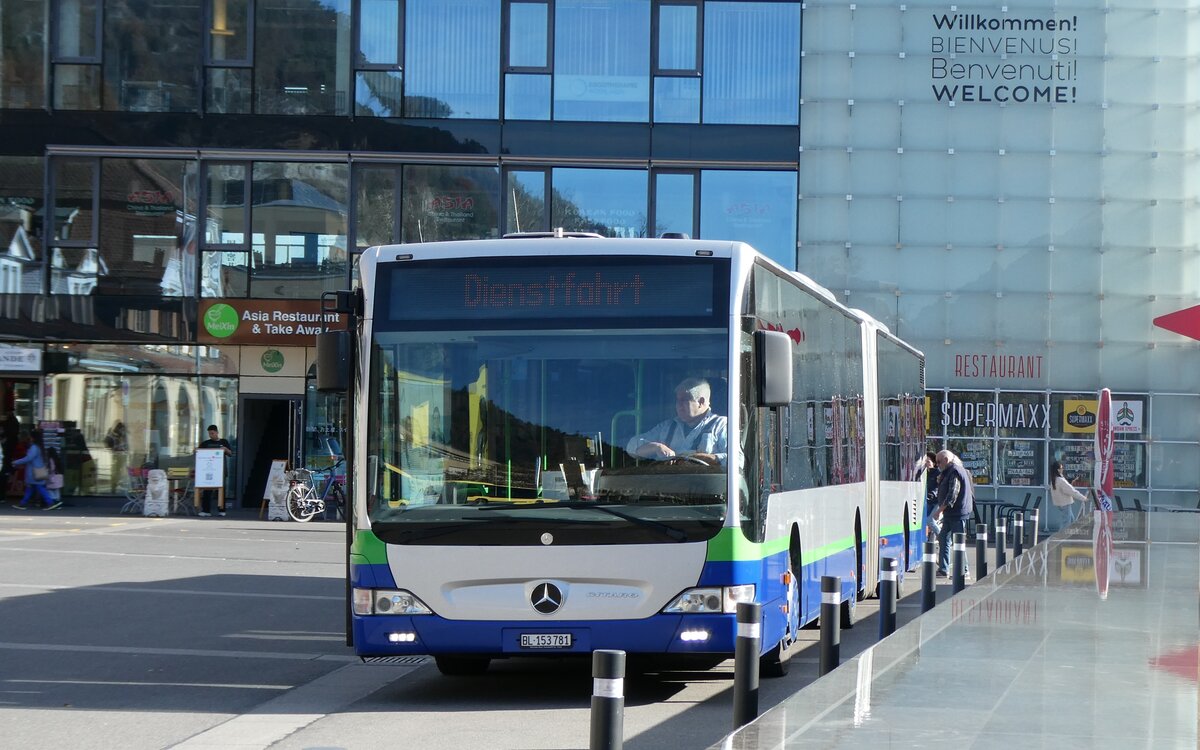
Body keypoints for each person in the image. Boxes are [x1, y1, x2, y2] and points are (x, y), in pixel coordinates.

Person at [625, 377, 728, 466]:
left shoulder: (721, 425)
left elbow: (737, 460)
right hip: (668, 486)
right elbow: (631, 447)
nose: (678, 405)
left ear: (701, 402)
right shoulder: (668, 427)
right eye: (677, 400)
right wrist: (656, 447)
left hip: (707, 486)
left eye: (683, 400)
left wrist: (702, 458)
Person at [931, 449, 974, 578]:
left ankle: (964, 570)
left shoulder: (955, 471)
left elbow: (952, 495)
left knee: (958, 541)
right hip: (952, 513)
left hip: (958, 513)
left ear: (946, 460)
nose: (937, 464)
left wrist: (939, 511)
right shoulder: (948, 472)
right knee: (944, 538)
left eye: (938, 462)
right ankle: (944, 569)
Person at [11, 429, 61, 510]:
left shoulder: (34, 447)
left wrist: (16, 462)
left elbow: (28, 458)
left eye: (30, 436)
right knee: (32, 488)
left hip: (34, 472)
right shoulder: (38, 447)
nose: (29, 438)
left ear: (33, 438)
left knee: (37, 487)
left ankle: (49, 502)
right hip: (37, 471)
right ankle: (23, 503)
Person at [197, 424, 233, 517]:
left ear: (217, 432)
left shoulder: (224, 442)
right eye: (209, 434)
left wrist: (225, 449)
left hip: (220, 471)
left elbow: (230, 453)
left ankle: (222, 510)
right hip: (208, 471)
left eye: (212, 433)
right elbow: (198, 452)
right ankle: (206, 510)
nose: (211, 435)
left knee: (221, 491)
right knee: (207, 490)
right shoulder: (205, 443)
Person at [1049, 460, 1086, 531]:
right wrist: (1083, 498)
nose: (1062, 470)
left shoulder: (1054, 479)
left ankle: (1071, 536)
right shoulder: (1060, 480)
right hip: (1065, 503)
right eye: (1061, 468)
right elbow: (1071, 491)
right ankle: (1060, 538)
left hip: (1060, 503)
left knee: (1071, 521)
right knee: (1066, 523)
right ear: (1058, 470)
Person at [921, 451, 941, 535]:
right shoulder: (923, 473)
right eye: (925, 461)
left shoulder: (937, 473)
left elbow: (938, 486)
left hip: (937, 501)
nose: (927, 463)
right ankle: (929, 540)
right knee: (923, 520)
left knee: (930, 520)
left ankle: (942, 537)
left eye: (928, 461)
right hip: (928, 501)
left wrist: (933, 493)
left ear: (933, 463)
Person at [105, 420, 128, 493]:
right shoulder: (112, 433)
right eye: (119, 428)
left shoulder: (122, 434)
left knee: (118, 471)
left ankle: (115, 485)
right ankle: (113, 486)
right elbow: (108, 443)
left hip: (121, 455)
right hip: (116, 455)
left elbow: (125, 444)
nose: (120, 430)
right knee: (115, 471)